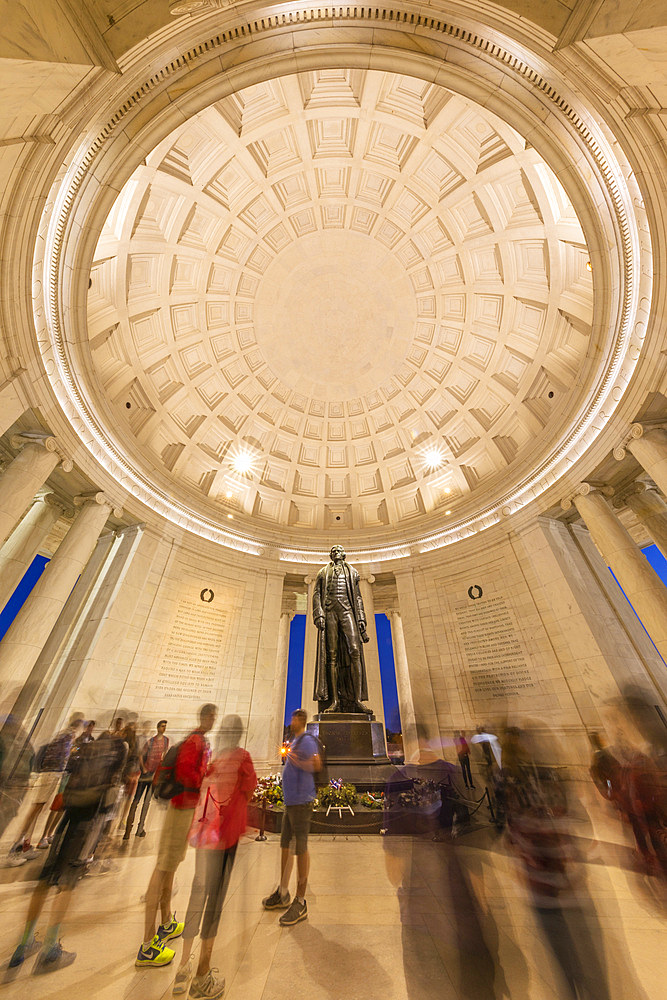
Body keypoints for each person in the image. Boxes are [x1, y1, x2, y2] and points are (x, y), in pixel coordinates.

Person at [8, 730, 127, 974]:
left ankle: (23, 944)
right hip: (87, 825)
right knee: (67, 885)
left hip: (68, 818)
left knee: (46, 879)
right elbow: (111, 796)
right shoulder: (116, 752)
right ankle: (50, 947)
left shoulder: (88, 751)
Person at [172, 715, 257, 998]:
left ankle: (183, 965)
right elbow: (250, 788)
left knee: (197, 894)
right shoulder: (242, 757)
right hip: (225, 838)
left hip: (205, 835)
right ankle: (202, 975)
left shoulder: (216, 758)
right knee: (214, 903)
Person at [136, 703, 217, 968]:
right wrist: (205, 774)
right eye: (212, 716)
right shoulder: (195, 742)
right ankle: (147, 946)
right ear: (205, 717)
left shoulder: (197, 740)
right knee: (164, 867)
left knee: (170, 866)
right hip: (181, 806)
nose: (214, 720)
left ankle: (167, 921)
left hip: (185, 808)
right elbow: (186, 774)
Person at [261, 708, 320, 926]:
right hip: (290, 802)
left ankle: (301, 901)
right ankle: (283, 892)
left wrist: (297, 761)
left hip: (302, 802)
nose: (291, 721)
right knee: (285, 845)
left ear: (300, 720)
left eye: (294, 718)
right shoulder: (294, 741)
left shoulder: (307, 741)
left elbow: (316, 765)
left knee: (301, 848)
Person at [7, 714, 84, 865]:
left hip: (50, 773)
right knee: (35, 809)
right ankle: (16, 848)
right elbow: (64, 756)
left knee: (37, 809)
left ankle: (24, 846)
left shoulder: (63, 734)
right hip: (51, 774)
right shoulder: (69, 735)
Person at [312, 544, 371, 714]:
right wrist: (319, 614)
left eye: (339, 550)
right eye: (333, 551)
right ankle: (335, 701)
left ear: (344, 554)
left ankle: (357, 700)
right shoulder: (323, 572)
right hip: (330, 611)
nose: (336, 552)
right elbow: (316, 594)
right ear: (330, 556)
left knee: (355, 651)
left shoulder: (352, 572)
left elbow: (358, 597)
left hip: (347, 611)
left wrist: (361, 619)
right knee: (332, 655)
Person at [124, 719, 169, 839]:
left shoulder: (166, 740)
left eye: (165, 726)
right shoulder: (151, 741)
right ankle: (128, 830)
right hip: (145, 775)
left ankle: (140, 828)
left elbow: (164, 755)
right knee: (136, 801)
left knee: (146, 803)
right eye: (162, 726)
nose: (164, 728)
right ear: (158, 727)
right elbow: (141, 755)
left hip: (154, 776)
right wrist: (143, 768)